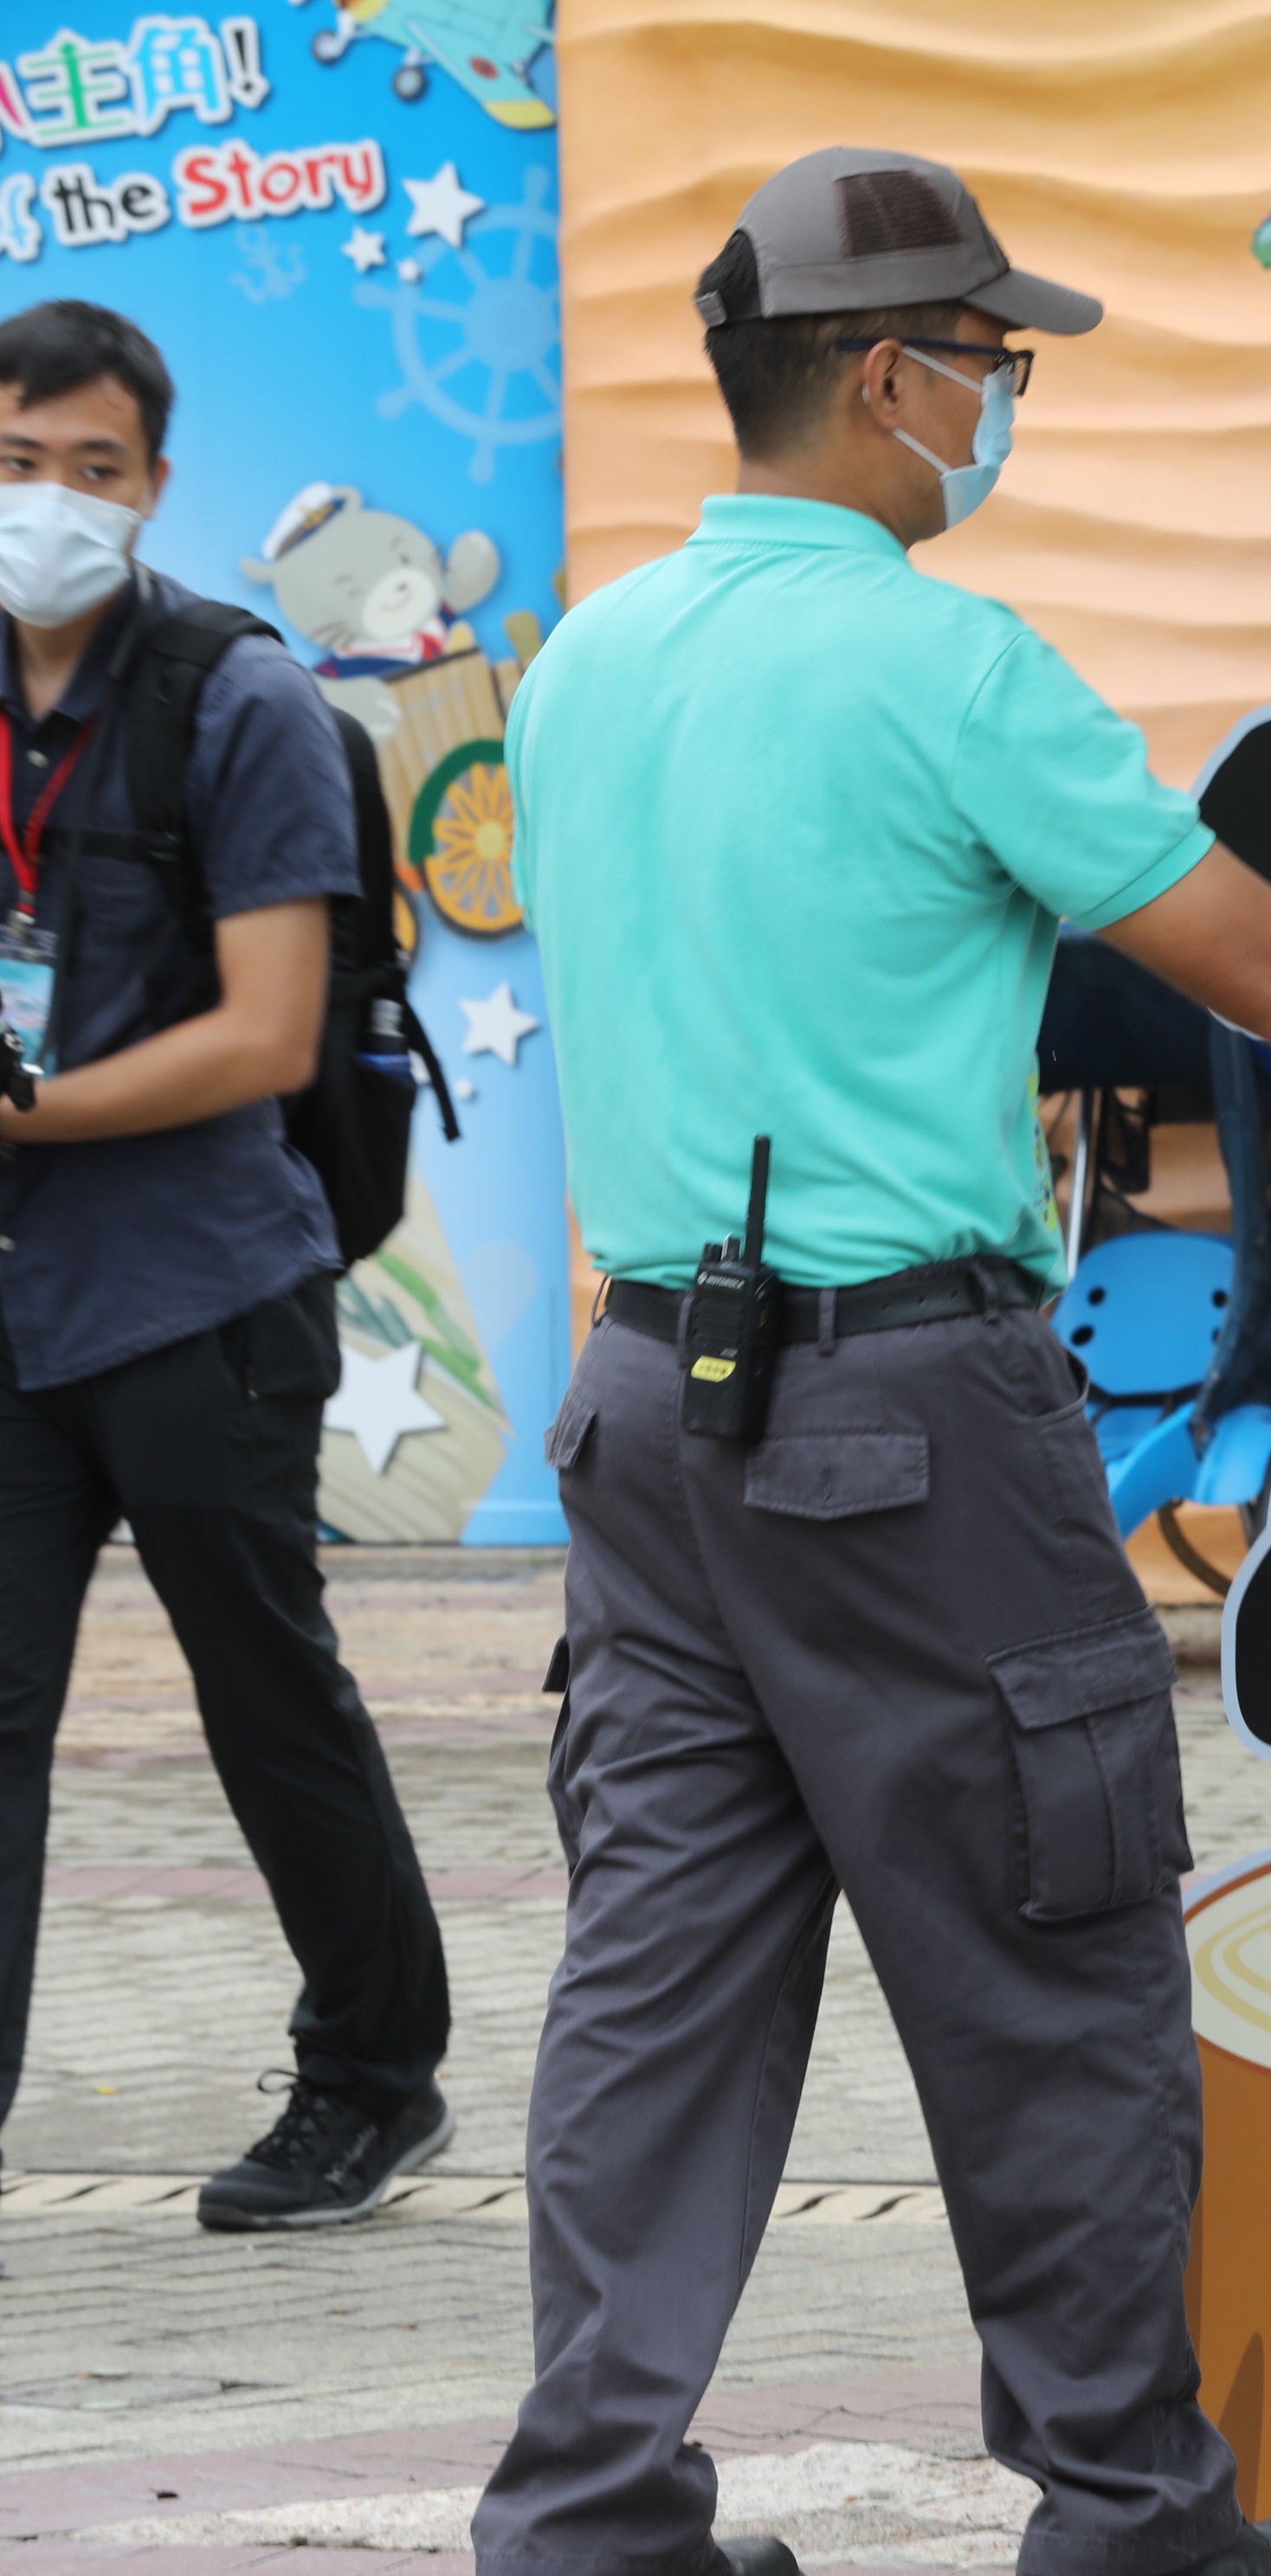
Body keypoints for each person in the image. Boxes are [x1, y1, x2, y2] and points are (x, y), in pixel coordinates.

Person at [480, 151, 1271, 2576]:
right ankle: (1130, 2511)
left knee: (655, 1982)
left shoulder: (591, 661)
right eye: (993, 361)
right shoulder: (949, 665)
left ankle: (586, 2515)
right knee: (1050, 1960)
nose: (1003, 404)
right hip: (905, 1415)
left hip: (649, 1412)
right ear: (883, 377)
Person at [0, 299, 454, 2231]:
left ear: (155, 486)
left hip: (204, 1297)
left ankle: (372, 2080)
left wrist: (28, 1114)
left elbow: (271, 1037)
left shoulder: (237, 697)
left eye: (92, 469)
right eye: (15, 463)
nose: (50, 503)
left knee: (262, 1694)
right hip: (21, 1312)